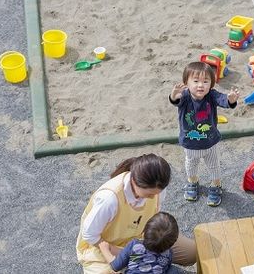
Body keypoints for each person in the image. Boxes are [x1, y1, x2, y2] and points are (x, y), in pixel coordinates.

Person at [76, 154, 196, 274]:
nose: (153, 197)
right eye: (149, 194)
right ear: (134, 181)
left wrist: (141, 250)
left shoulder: (157, 188)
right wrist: (121, 253)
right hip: (105, 246)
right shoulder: (110, 199)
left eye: (156, 193)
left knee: (193, 252)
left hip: (145, 240)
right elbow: (89, 235)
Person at [169, 61, 240, 206]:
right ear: (186, 83)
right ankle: (192, 182)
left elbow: (223, 100)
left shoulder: (212, 96)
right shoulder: (185, 97)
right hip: (190, 143)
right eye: (195, 81)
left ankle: (216, 185)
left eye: (205, 81)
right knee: (190, 165)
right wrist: (174, 95)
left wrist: (230, 100)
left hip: (210, 142)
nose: (200, 85)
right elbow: (176, 101)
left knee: (214, 166)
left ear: (211, 84)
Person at [98, 212, 179, 274]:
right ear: (172, 243)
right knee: (173, 270)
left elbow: (116, 266)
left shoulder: (135, 245)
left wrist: (105, 249)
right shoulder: (169, 253)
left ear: (143, 233)